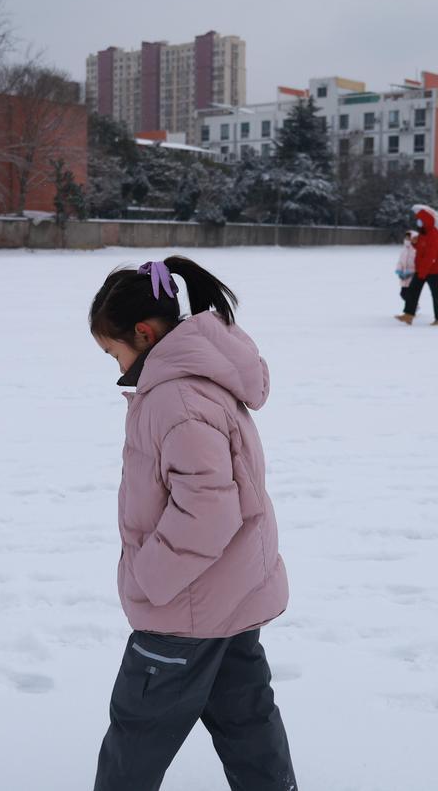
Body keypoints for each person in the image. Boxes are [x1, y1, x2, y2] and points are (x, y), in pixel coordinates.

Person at [89, 256, 297, 791]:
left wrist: (149, 579)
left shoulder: (175, 398)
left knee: (138, 730)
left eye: (113, 353)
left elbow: (207, 508)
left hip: (182, 608)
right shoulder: (197, 381)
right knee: (247, 722)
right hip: (229, 597)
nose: (116, 369)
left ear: (143, 331)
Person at [396, 204, 438, 325]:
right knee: (412, 291)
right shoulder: (424, 233)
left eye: (420, 220)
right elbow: (422, 248)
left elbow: (431, 256)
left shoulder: (434, 234)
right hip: (422, 269)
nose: (418, 222)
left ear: (425, 221)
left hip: (434, 270)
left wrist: (422, 272)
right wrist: (415, 243)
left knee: (436, 294)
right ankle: (408, 315)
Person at [395, 229, 418, 304]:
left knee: (409, 293)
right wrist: (399, 271)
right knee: (403, 294)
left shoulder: (416, 249)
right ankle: (413, 306)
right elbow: (400, 261)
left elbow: (418, 262)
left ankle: (412, 308)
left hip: (412, 275)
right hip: (404, 276)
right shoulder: (404, 249)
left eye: (409, 237)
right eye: (406, 237)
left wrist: (412, 272)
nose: (407, 239)